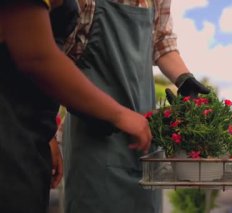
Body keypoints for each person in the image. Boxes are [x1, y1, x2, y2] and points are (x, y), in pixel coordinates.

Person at [0, 1, 152, 212]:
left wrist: (48, 131)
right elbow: (36, 55)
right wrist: (118, 114)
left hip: (29, 132)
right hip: (9, 131)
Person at [60, 0, 210, 212]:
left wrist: (184, 79)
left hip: (145, 141)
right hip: (94, 140)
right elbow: (54, 57)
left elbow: (161, 41)